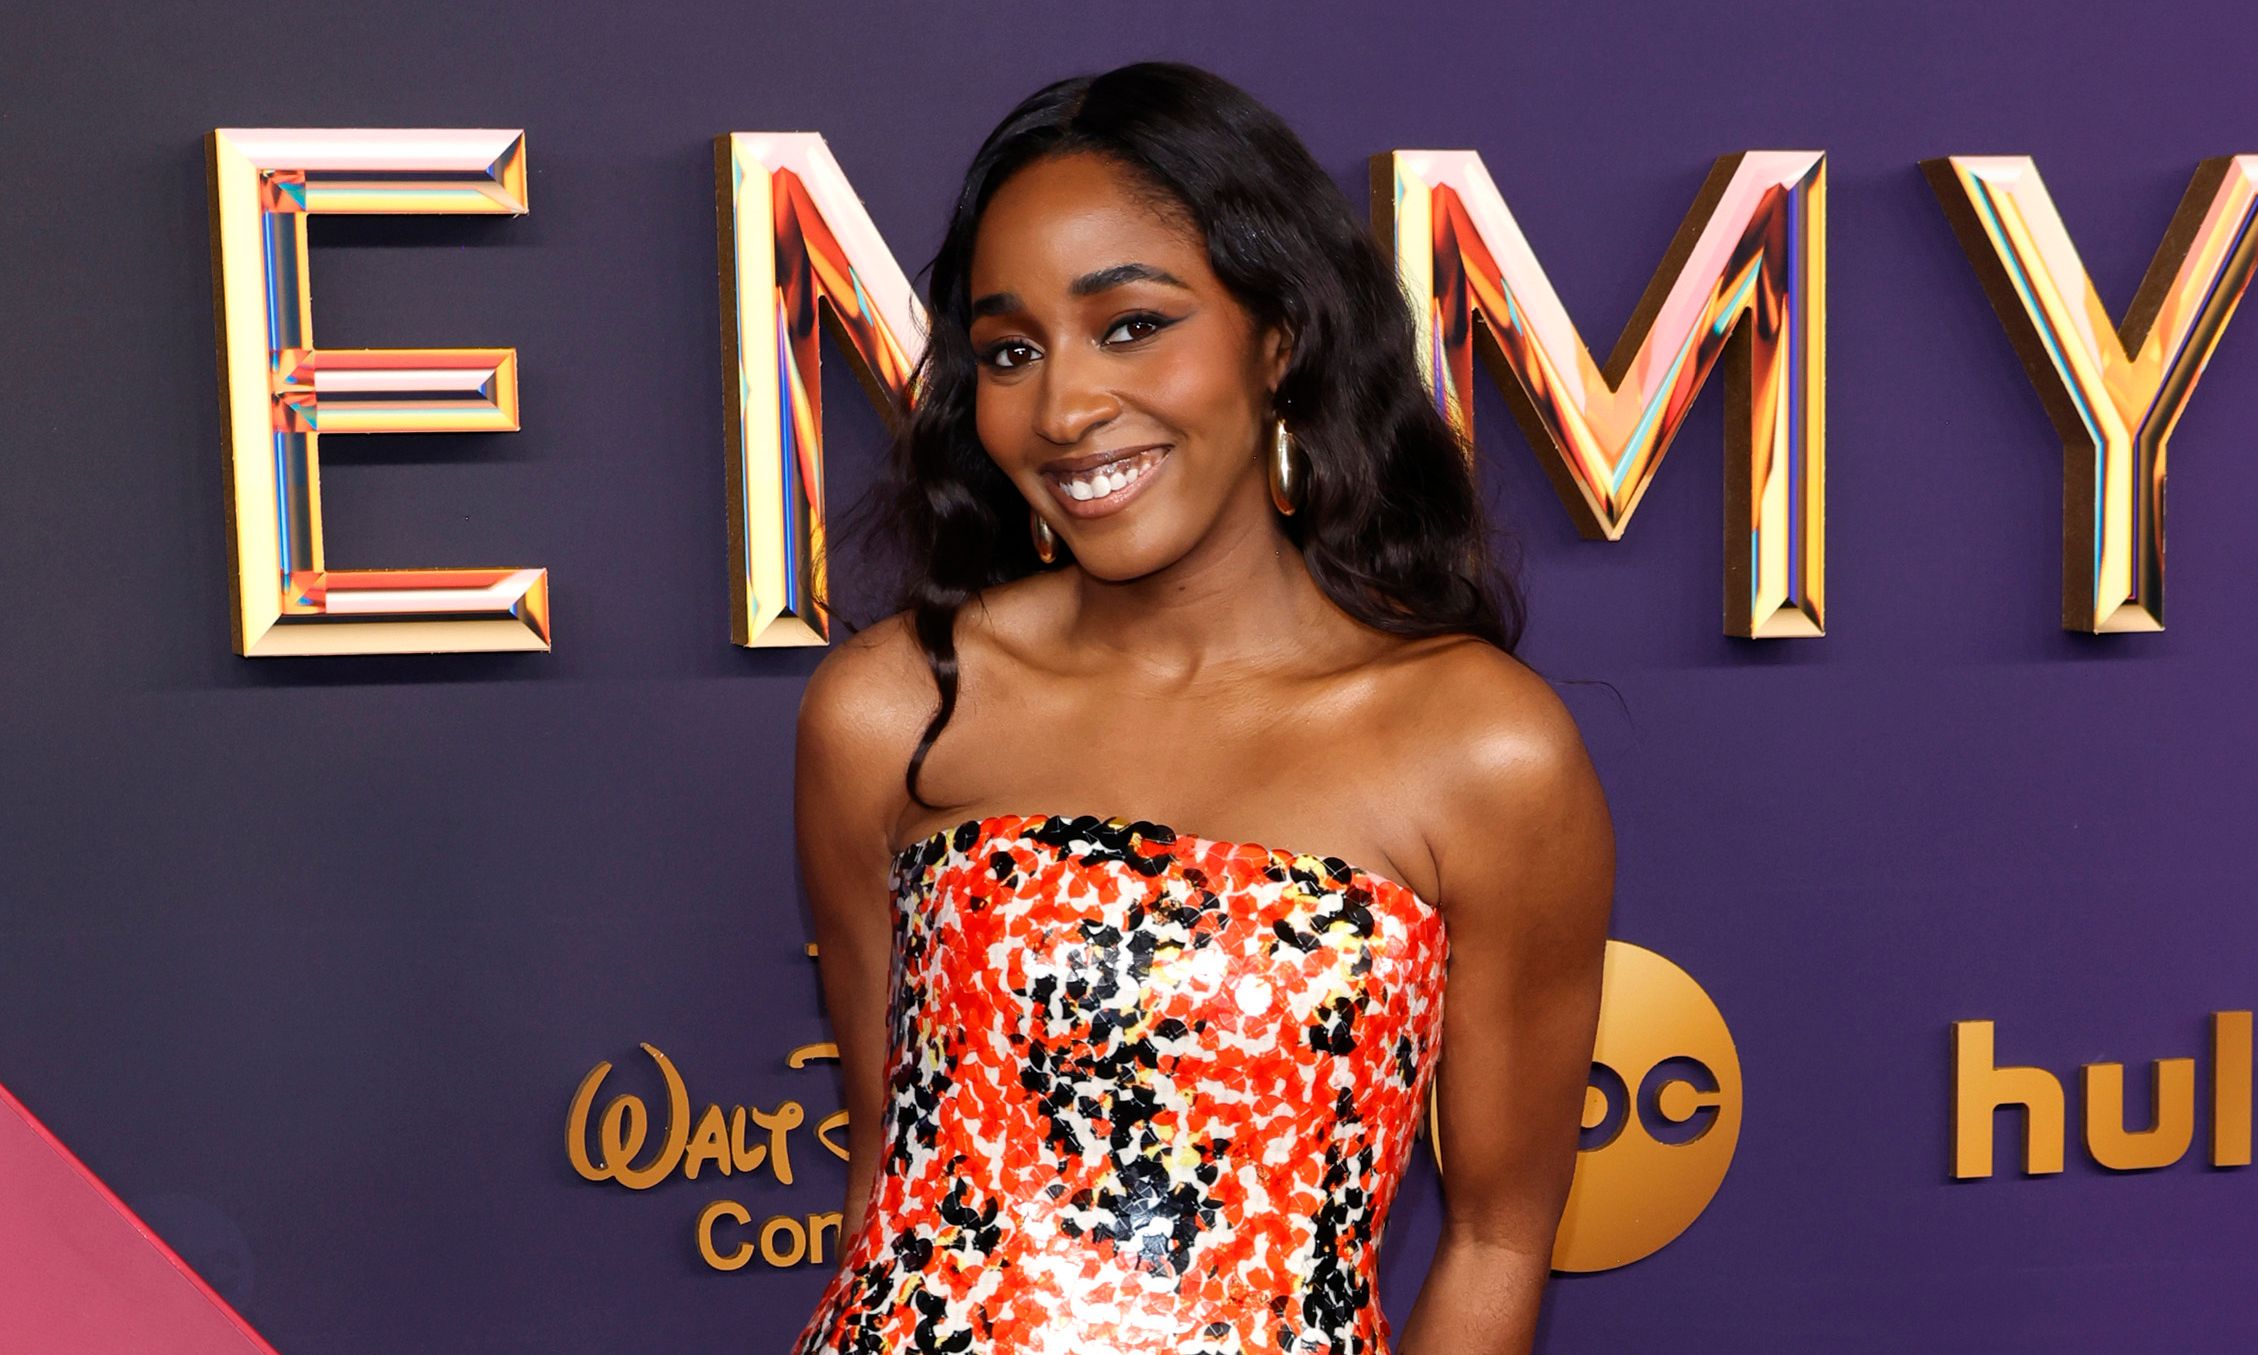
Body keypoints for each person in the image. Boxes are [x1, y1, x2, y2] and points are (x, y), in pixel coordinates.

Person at [790, 61, 1612, 1355]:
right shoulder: (892, 709)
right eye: (1011, 351)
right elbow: (881, 1190)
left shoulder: (1481, 750)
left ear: (1276, 336)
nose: (1065, 408)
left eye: (1130, 325)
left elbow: (1497, 1243)